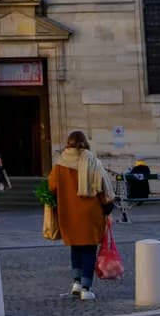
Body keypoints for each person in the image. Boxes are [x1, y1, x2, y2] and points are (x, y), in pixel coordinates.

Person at [48, 129, 113, 301]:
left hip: (69, 212)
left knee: (75, 246)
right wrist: (108, 208)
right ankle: (86, 287)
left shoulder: (60, 164)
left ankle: (76, 282)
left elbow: (51, 187)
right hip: (91, 212)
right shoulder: (92, 161)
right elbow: (103, 188)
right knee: (89, 249)